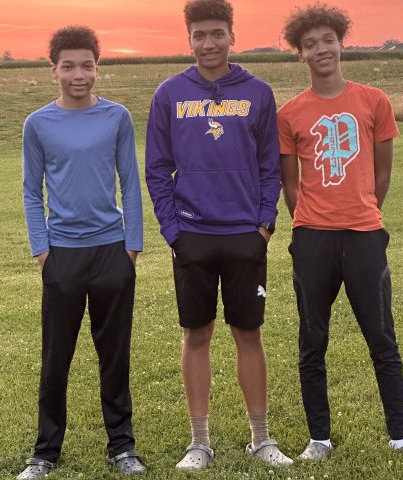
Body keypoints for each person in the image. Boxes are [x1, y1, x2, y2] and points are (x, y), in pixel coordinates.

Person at [277, 3, 403, 463]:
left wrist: (361, 213)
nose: (321, 49)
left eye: (327, 40)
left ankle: (400, 437)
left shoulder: (373, 100)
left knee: (382, 337)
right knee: (312, 339)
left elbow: (382, 175)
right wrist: (311, 221)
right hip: (312, 239)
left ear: (341, 43)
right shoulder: (290, 114)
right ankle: (318, 439)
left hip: (365, 234)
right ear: (300, 54)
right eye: (310, 44)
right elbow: (291, 182)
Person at [145, 0, 293, 471]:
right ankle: (199, 442)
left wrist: (265, 223)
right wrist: (173, 230)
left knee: (248, 333)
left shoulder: (258, 92)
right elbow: (156, 169)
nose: (208, 43)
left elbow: (271, 166)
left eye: (217, 33)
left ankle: (261, 438)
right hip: (192, 236)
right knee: (196, 334)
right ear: (188, 39)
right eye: (199, 35)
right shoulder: (169, 94)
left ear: (232, 36)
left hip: (245, 236)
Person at [18, 26, 145, 479]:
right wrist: (42, 252)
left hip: (112, 252)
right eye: (68, 65)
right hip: (62, 257)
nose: (78, 74)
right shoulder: (38, 124)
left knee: (115, 355)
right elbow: (32, 192)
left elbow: (130, 182)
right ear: (53, 69)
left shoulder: (117, 118)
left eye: (87, 65)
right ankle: (45, 452)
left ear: (98, 67)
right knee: (56, 358)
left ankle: (122, 447)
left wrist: (132, 247)